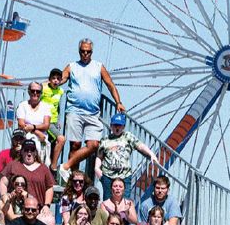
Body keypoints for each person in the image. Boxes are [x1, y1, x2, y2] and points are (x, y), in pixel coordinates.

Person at [58, 38, 126, 182]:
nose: (85, 54)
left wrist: (118, 102)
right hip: (74, 110)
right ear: (79, 51)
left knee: (94, 145)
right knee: (75, 145)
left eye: (88, 52)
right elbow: (61, 78)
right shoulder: (72, 66)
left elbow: (110, 85)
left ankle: (65, 166)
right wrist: (53, 83)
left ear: (92, 52)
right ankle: (74, 178)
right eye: (82, 51)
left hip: (93, 112)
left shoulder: (98, 66)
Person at [95, 113, 160, 199]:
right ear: (111, 126)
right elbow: (99, 156)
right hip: (108, 176)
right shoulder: (105, 140)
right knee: (108, 202)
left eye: (119, 125)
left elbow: (140, 146)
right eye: (115, 125)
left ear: (123, 126)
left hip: (124, 176)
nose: (117, 128)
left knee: (125, 202)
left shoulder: (128, 137)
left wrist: (151, 154)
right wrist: (96, 168)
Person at [0, 138, 55, 225]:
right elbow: (3, 182)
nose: (29, 153)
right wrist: (5, 196)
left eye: (32, 150)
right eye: (26, 150)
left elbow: (49, 187)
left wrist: (46, 205)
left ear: (35, 153)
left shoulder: (43, 168)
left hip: (36, 210)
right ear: (21, 152)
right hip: (16, 209)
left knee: (49, 221)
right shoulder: (13, 165)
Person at [16, 81, 53, 166]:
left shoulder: (46, 107)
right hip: (26, 137)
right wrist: (36, 131)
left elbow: (46, 125)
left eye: (38, 91)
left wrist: (32, 127)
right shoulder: (22, 105)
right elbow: (21, 124)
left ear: (41, 93)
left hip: (42, 139)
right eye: (33, 91)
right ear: (29, 91)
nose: (35, 93)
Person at [42, 68, 67, 172]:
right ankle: (53, 166)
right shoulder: (43, 88)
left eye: (58, 79)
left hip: (54, 120)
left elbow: (57, 107)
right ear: (49, 79)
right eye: (53, 78)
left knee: (53, 143)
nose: (56, 81)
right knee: (61, 139)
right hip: (44, 120)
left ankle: (49, 166)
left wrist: (58, 121)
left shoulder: (60, 91)